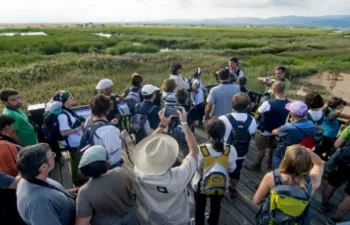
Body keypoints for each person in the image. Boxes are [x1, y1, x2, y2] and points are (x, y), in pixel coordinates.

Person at [133, 107, 198, 225]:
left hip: (155, 218)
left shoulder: (139, 170)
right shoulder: (178, 177)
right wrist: (184, 123)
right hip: (178, 219)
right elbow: (194, 152)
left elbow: (148, 147)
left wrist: (162, 125)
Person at [253, 145, 324, 224]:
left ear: (285, 160)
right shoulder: (311, 182)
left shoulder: (271, 177)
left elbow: (256, 200)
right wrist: (307, 151)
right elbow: (320, 164)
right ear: (308, 164)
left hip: (271, 220)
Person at [191, 118, 237, 225]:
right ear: (224, 132)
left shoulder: (199, 149)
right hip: (219, 185)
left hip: (200, 185)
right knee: (216, 207)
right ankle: (213, 222)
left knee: (199, 208)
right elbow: (232, 169)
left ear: (207, 132)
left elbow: (196, 167)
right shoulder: (230, 150)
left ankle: (199, 222)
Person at [75, 145, 137, 225]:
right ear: (106, 161)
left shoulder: (84, 192)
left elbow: (82, 223)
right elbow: (131, 190)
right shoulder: (121, 172)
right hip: (131, 218)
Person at [16, 143, 76, 225]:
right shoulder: (39, 203)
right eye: (52, 155)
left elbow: (52, 194)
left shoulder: (30, 179)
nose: (54, 156)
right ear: (43, 167)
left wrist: (76, 191)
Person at [245, 81, 290, 171]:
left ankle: (257, 165)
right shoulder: (288, 103)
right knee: (272, 148)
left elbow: (258, 113)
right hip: (278, 131)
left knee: (261, 148)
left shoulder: (268, 103)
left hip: (265, 130)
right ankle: (270, 163)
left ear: (274, 90)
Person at [219, 93, 257, 196]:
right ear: (247, 106)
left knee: (222, 170)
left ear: (232, 104)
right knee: (236, 171)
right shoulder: (251, 120)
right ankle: (233, 188)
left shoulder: (223, 118)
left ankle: (220, 187)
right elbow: (252, 133)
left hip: (225, 151)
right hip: (241, 152)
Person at [45, 90, 84, 186]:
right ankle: (77, 179)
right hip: (74, 142)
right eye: (70, 97)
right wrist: (79, 128)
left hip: (73, 141)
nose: (73, 98)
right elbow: (63, 132)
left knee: (74, 158)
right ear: (64, 102)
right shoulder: (62, 115)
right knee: (77, 160)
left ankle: (77, 176)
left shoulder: (65, 110)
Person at [271, 101, 316, 170]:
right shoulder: (311, 125)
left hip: (283, 154)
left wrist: (291, 124)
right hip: (300, 154)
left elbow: (274, 132)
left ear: (292, 113)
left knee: (278, 170)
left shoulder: (288, 127)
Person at [83, 94, 123, 168]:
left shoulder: (89, 124)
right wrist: (122, 137)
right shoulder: (110, 130)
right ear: (107, 111)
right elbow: (113, 150)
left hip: (96, 161)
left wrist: (110, 123)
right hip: (111, 164)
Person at [321, 126, 350, 225]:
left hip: (345, 162)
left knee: (331, 182)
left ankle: (324, 205)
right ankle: (333, 219)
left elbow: (337, 144)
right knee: (349, 196)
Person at [315, 97, 350, 161]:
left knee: (319, 149)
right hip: (329, 135)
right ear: (338, 106)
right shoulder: (335, 113)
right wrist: (347, 104)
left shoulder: (325, 109)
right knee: (324, 150)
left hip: (323, 133)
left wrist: (344, 103)